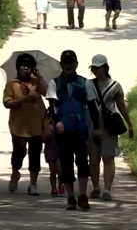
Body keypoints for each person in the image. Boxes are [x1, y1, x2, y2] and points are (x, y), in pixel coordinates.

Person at [45, 50, 91, 210]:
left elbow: (91, 106)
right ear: (61, 64)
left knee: (82, 162)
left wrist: (95, 128)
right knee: (65, 163)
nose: (68, 65)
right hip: (62, 129)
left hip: (80, 128)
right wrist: (56, 122)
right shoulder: (54, 83)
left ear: (76, 64)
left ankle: (83, 194)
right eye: (65, 62)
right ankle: (71, 197)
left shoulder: (85, 83)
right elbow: (51, 106)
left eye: (71, 62)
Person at [86, 54, 134, 201]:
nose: (95, 71)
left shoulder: (115, 86)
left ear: (105, 68)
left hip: (108, 127)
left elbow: (121, 106)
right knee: (93, 159)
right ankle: (95, 187)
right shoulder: (88, 84)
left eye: (98, 68)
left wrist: (129, 123)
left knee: (108, 157)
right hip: (91, 126)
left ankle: (107, 189)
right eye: (93, 68)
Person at [2, 53, 48, 195]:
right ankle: (15, 173)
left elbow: (47, 92)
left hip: (36, 125)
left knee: (35, 153)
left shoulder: (36, 83)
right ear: (18, 67)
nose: (25, 69)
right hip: (18, 126)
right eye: (23, 66)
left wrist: (39, 76)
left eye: (29, 66)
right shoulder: (12, 84)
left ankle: (33, 183)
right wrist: (25, 99)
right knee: (19, 151)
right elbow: (7, 103)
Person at [42, 106, 65, 197]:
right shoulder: (47, 127)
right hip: (50, 150)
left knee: (60, 169)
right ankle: (53, 188)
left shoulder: (61, 126)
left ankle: (60, 184)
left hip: (59, 150)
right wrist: (47, 134)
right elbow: (42, 139)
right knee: (52, 170)